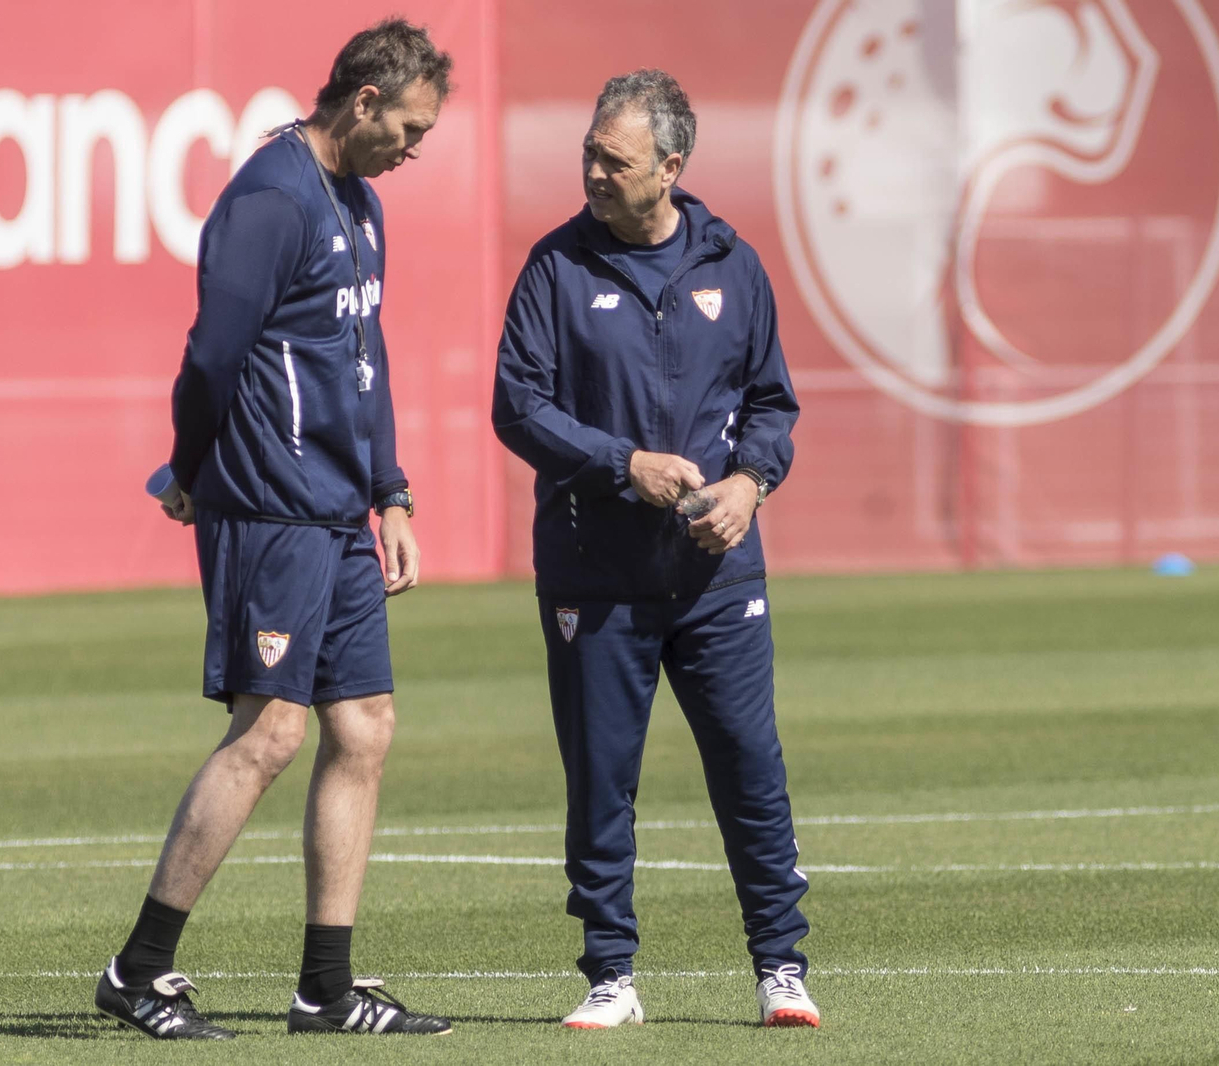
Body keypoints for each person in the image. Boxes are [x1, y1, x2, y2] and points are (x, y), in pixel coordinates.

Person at [93, 18, 453, 1041]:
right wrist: (192, 469)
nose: (413, 148)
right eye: (409, 127)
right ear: (364, 100)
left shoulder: (361, 201)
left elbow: (364, 357)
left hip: (339, 512)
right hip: (270, 505)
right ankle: (137, 971)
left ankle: (326, 992)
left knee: (364, 726)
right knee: (270, 733)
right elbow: (211, 357)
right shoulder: (270, 199)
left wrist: (392, 493)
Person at [491, 69, 820, 1029]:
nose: (593, 172)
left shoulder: (734, 266)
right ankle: (610, 975)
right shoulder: (555, 268)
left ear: (670, 167)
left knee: (750, 767)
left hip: (717, 576)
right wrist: (621, 465)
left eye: (615, 159)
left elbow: (772, 403)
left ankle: (780, 967)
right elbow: (518, 407)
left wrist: (750, 484)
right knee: (601, 779)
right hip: (595, 575)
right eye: (588, 153)